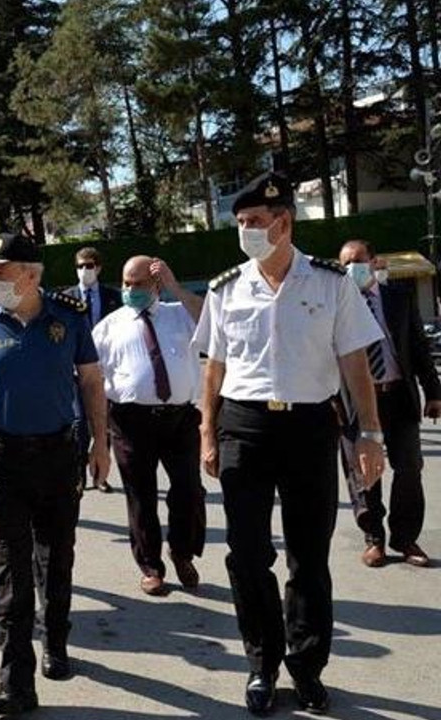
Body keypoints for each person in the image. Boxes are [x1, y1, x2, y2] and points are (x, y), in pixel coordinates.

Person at [193, 172, 386, 715]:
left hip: (308, 429)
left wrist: (370, 434)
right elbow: (215, 367)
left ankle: (307, 668)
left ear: (284, 223)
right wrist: (208, 432)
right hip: (244, 428)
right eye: (241, 224)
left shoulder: (330, 283)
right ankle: (261, 664)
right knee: (247, 555)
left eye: (255, 222)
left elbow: (355, 364)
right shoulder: (226, 287)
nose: (246, 232)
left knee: (309, 557)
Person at [0, 233, 108, 716]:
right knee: (9, 576)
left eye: (2, 270)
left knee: (55, 561)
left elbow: (92, 382)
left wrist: (101, 443)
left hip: (59, 456)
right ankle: (15, 683)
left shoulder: (69, 317)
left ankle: (55, 641)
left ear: (31, 274)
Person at [92, 256, 206, 596]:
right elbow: (92, 382)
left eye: (138, 283)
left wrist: (175, 286)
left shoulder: (179, 314)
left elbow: (210, 319)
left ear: (155, 284)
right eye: (126, 283)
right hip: (130, 421)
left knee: (188, 490)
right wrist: (97, 437)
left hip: (180, 418)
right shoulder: (108, 327)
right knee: (140, 497)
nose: (130, 290)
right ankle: (151, 566)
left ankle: (182, 552)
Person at [337, 239, 438, 568]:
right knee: (365, 473)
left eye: (358, 260)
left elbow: (419, 348)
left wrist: (434, 392)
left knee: (409, 468)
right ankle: (374, 538)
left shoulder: (398, 299)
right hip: (355, 404)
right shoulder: (335, 306)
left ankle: (405, 537)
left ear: (373, 261)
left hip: (398, 397)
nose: (352, 267)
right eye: (346, 263)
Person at [63, 247, 120, 494]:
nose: (84, 270)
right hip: (76, 372)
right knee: (79, 424)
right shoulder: (66, 298)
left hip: (105, 370)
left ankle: (100, 473)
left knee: (102, 423)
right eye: (80, 266)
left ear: (98, 268)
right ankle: (77, 475)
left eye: (89, 266)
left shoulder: (113, 297)